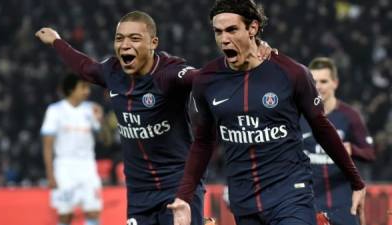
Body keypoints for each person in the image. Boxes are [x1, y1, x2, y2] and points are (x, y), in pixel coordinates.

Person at [36, 11, 273, 225]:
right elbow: (84, 67)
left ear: (153, 43)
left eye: (134, 39)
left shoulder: (168, 74)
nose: (125, 45)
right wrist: (56, 40)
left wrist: (249, 56)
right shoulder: (112, 72)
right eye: (120, 39)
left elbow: (201, 77)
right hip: (139, 192)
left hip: (178, 186)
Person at [168, 1, 366, 225]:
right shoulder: (206, 80)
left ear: (253, 28)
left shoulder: (292, 73)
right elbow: (203, 142)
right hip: (243, 198)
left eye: (232, 30)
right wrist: (184, 196)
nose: (224, 39)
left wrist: (356, 182)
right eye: (218, 32)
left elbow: (322, 128)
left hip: (291, 193)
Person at [300, 57, 375, 225]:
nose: (318, 86)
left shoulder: (350, 116)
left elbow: (370, 153)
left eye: (324, 81)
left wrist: (352, 149)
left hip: (343, 203)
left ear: (335, 83)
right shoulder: (299, 116)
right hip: (309, 202)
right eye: (314, 81)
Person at [41, 74, 103, 225]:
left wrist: (100, 119)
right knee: (66, 215)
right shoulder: (55, 111)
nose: (87, 91)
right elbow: (47, 145)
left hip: (87, 166)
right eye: (83, 87)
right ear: (71, 89)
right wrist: (50, 174)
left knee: (93, 211)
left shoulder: (91, 109)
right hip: (64, 167)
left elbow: (103, 140)